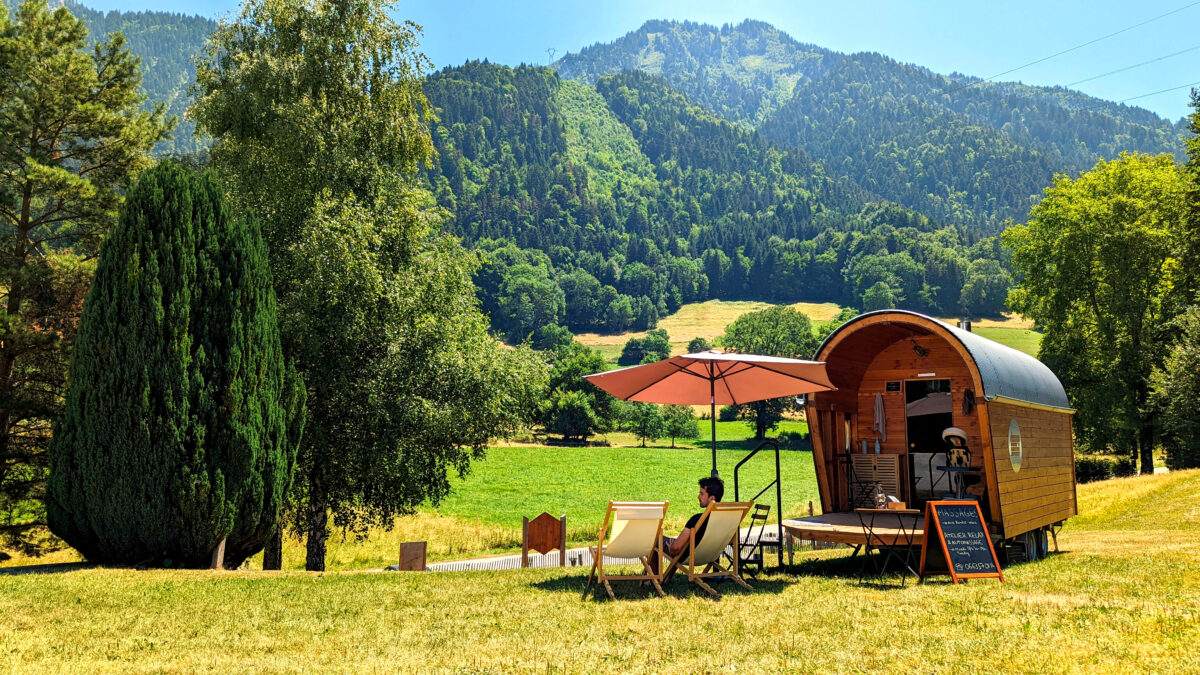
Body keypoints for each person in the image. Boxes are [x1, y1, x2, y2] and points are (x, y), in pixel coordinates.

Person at [651, 476, 723, 573]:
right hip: (710, 556)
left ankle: (655, 578)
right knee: (680, 543)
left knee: (652, 538)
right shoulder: (723, 520)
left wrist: (672, 546)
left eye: (702, 493)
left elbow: (676, 549)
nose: (698, 497)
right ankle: (666, 577)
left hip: (688, 556)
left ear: (712, 498)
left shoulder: (697, 519)